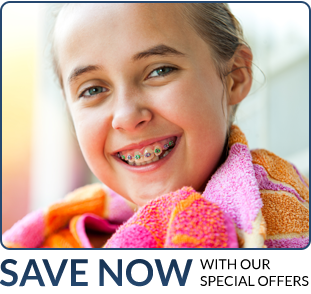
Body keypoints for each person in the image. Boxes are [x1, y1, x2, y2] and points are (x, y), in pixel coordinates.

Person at [3, 3, 309, 248]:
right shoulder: (58, 241)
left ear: (235, 77)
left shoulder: (274, 218)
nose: (126, 116)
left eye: (159, 71)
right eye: (93, 90)